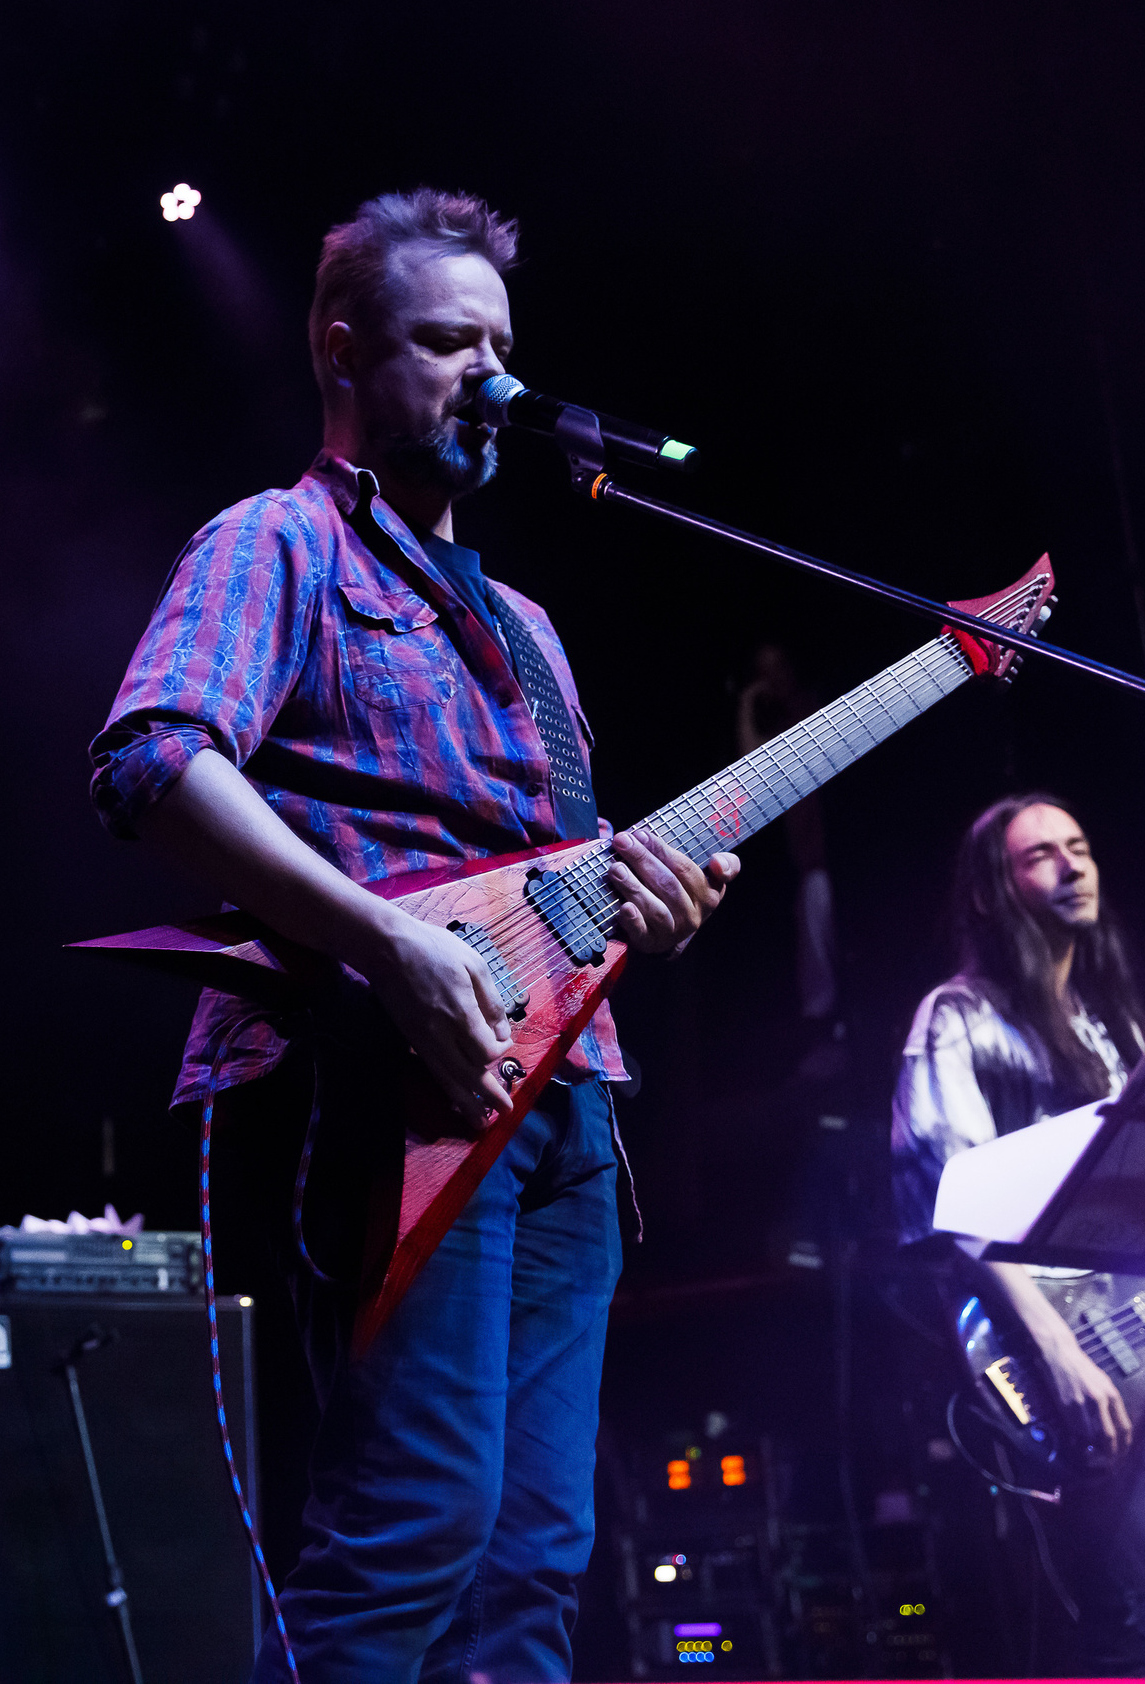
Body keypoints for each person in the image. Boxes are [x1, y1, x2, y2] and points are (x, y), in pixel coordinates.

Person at [88, 188, 738, 1683]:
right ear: (343, 354)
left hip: (568, 1104)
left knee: (533, 1560)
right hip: (381, 1086)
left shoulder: (530, 626)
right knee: (410, 1535)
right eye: (452, 344)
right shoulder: (277, 543)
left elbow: (568, 885)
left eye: (505, 346)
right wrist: (383, 939)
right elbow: (153, 758)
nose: (495, 382)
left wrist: (660, 908)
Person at [892, 792, 1145, 1674]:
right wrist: (1058, 1350)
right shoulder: (957, 1018)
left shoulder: (1117, 1027)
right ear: (990, 890)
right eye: (1041, 853)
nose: (1072, 863)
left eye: (1080, 845)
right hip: (1059, 1358)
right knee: (1136, 1627)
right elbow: (946, 1192)